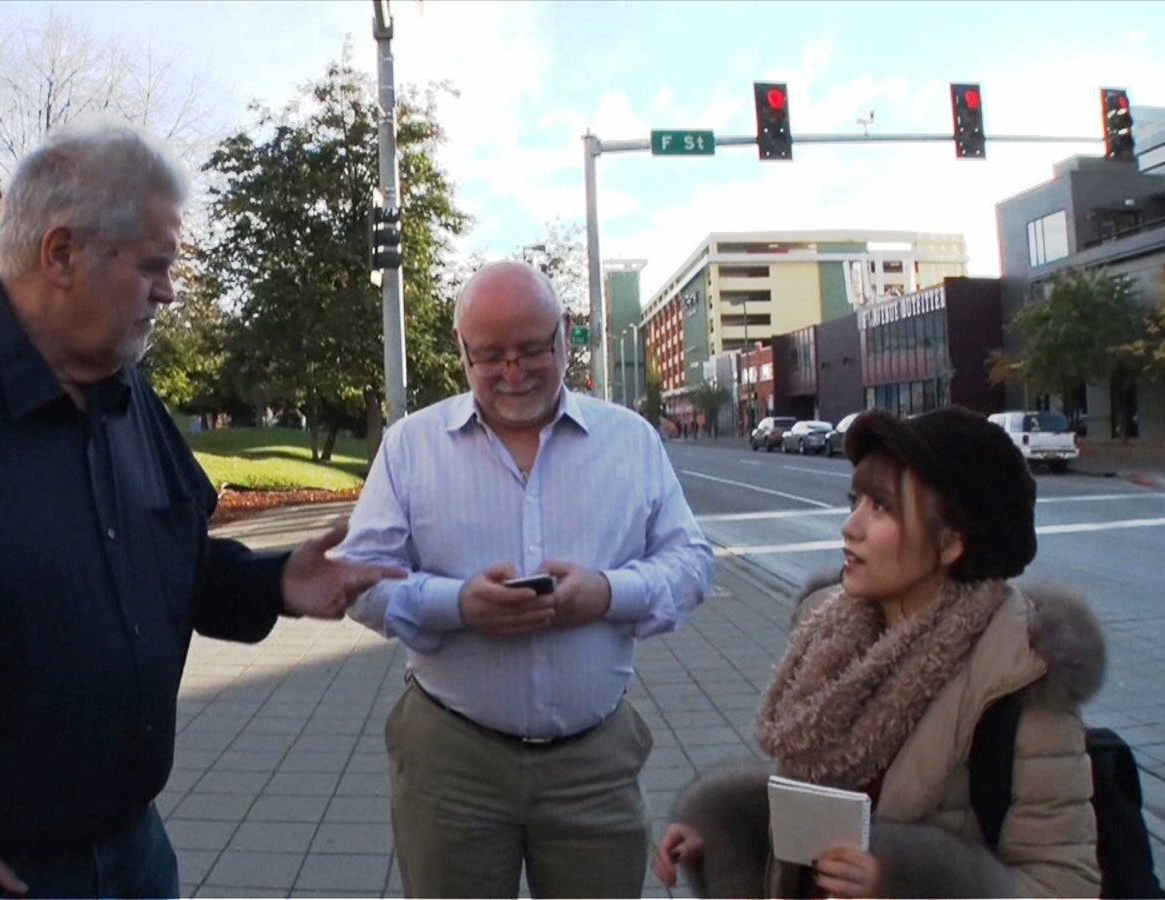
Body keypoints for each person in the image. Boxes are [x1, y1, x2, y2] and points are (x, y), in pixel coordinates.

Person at [0, 121, 403, 900]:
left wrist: (276, 582)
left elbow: (169, 559)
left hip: (136, 858)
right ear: (60, 254)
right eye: (153, 266)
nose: (170, 290)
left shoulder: (129, 397)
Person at [338, 260, 716, 898]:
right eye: (490, 356)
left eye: (532, 349)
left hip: (594, 762)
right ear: (461, 351)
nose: (513, 372)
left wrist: (605, 594)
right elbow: (359, 581)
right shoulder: (411, 446)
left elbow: (693, 564)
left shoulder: (630, 442)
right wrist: (458, 605)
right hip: (452, 759)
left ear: (564, 336)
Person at [651, 406, 1105, 898]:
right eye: (856, 501)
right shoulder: (828, 632)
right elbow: (830, 817)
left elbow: (1063, 885)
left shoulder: (1019, 677)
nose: (851, 526)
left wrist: (903, 884)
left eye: (882, 507)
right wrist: (725, 832)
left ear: (952, 541)